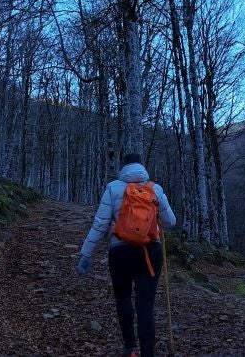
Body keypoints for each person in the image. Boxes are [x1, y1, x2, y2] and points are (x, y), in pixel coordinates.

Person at [77, 152, 177, 357]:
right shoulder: (155, 189)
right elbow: (170, 222)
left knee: (123, 298)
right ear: (142, 166)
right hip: (150, 253)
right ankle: (148, 353)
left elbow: (100, 224)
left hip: (119, 251)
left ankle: (130, 347)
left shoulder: (113, 188)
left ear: (123, 167)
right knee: (145, 304)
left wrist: (86, 254)